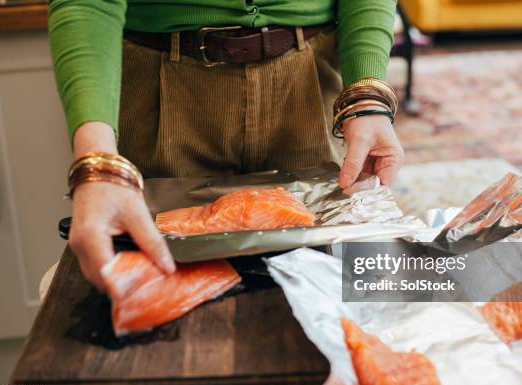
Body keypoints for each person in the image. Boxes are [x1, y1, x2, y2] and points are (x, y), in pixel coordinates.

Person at [48, 1, 403, 290]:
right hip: (159, 84)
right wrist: (97, 164)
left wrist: (367, 94)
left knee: (334, 284)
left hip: (308, 80)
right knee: (160, 283)